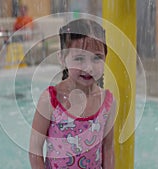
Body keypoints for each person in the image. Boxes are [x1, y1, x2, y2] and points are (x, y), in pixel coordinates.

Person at [29, 19, 116, 169]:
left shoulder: (107, 102)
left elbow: (108, 149)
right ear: (62, 59)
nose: (89, 67)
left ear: (105, 58)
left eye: (97, 57)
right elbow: (35, 151)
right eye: (79, 58)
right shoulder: (50, 100)